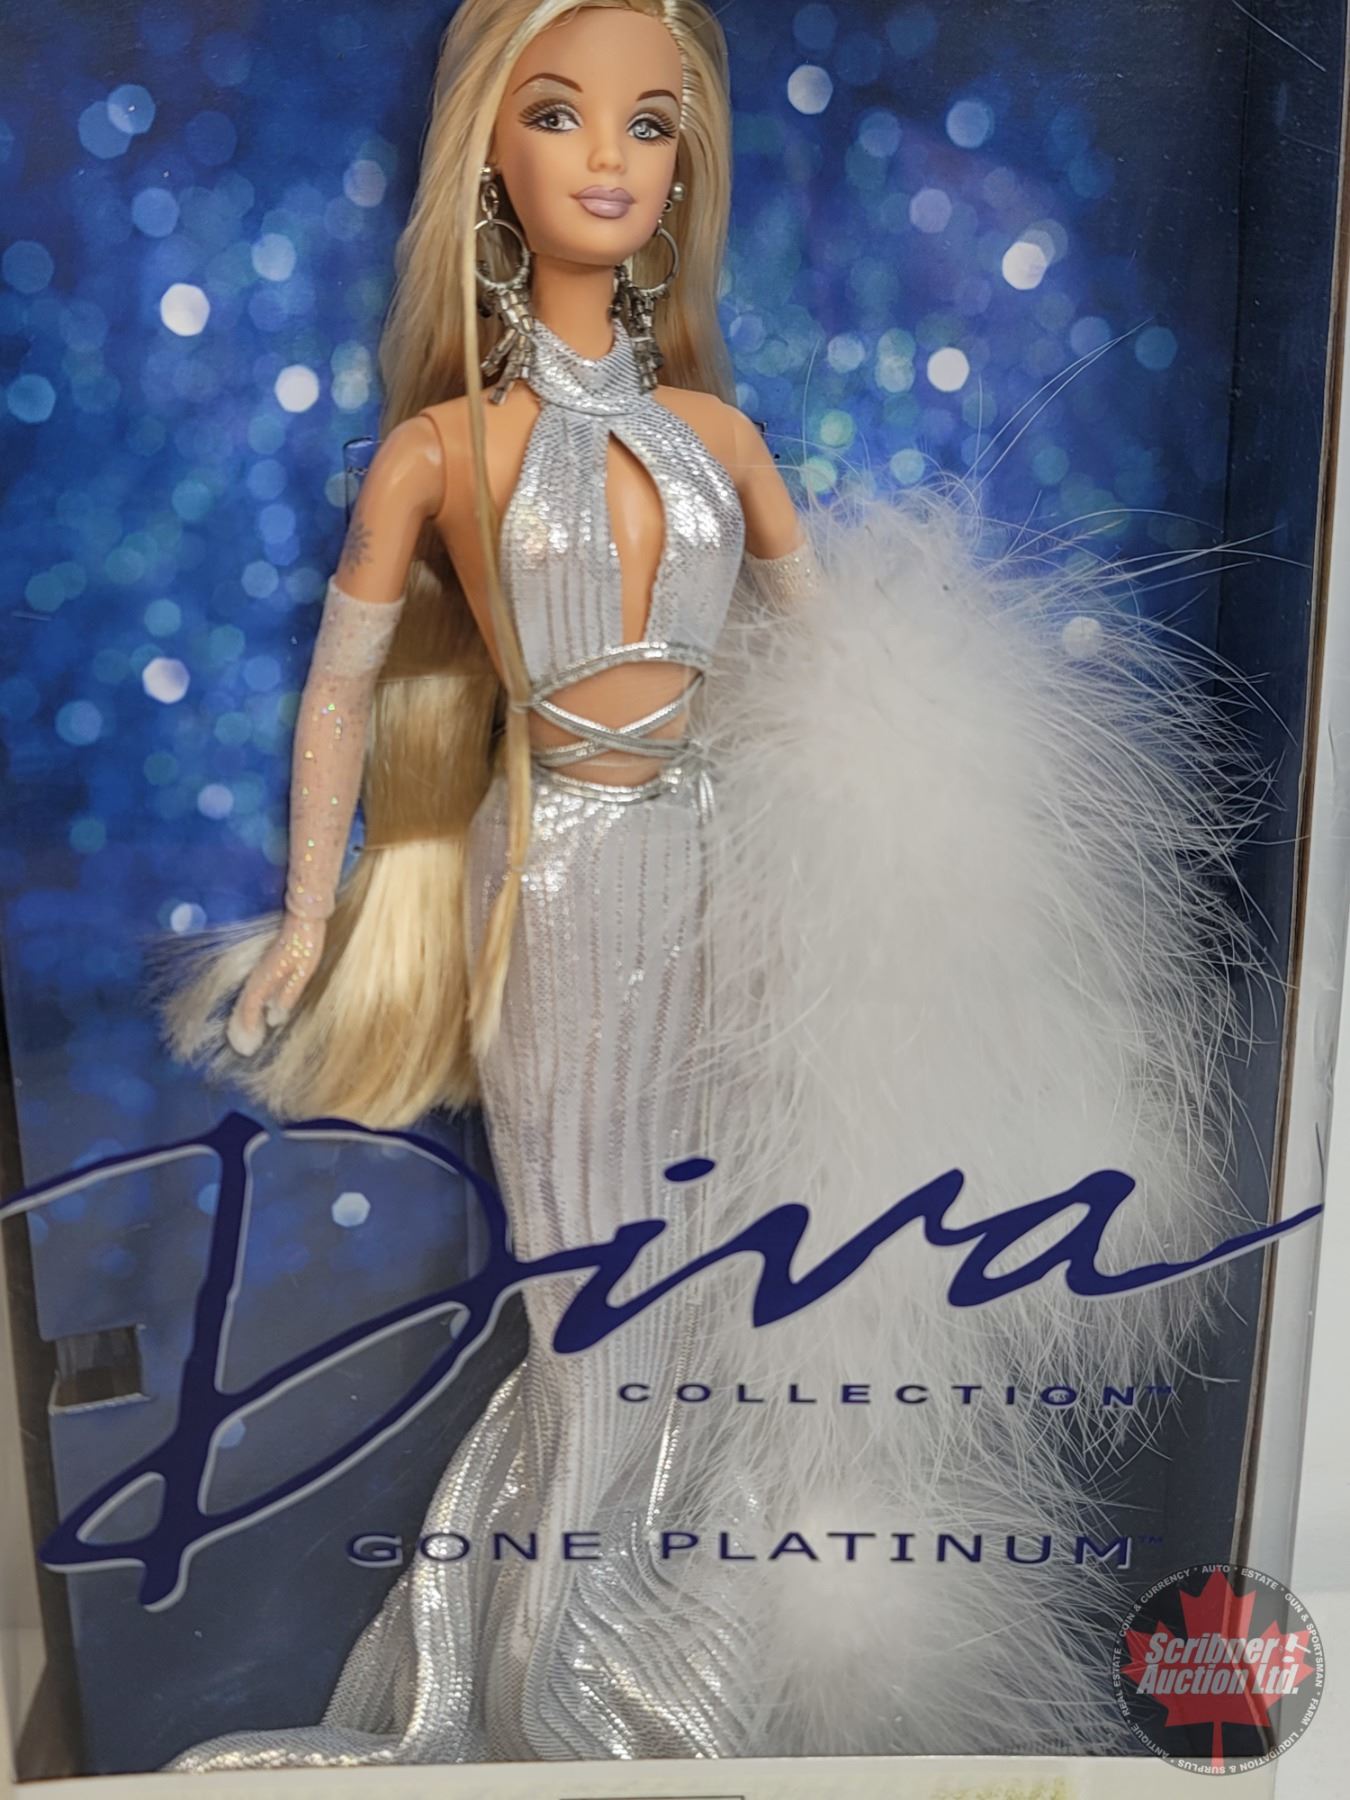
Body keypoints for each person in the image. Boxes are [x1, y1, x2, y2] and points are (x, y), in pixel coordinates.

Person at [154, 0, 1262, 1768]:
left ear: (685, 165)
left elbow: (841, 676)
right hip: (556, 880)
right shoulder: (440, 449)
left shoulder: (714, 438)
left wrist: (930, 860)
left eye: (649, 122)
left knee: (726, 1278)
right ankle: (571, 1688)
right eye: (559, 114)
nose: (607, 157)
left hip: (724, 876)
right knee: (590, 1291)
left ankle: (700, 1674)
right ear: (488, 155)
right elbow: (344, 691)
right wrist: (309, 918)